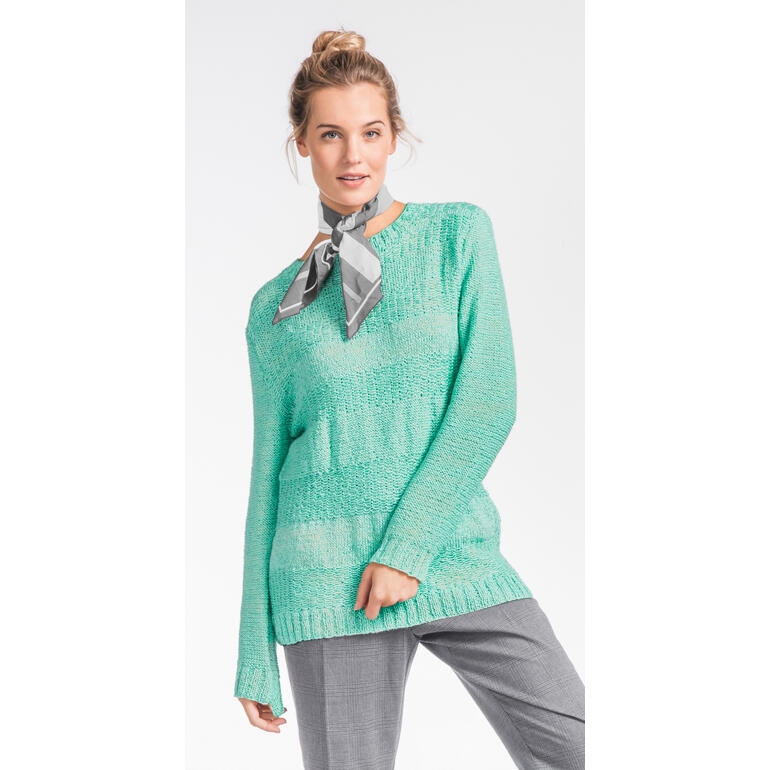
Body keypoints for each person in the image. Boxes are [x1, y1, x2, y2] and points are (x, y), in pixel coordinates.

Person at [234, 28, 585, 770]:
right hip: (324, 582)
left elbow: (488, 401)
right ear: (302, 143)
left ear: (395, 136)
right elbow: (266, 474)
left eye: (370, 132)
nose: (352, 155)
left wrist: (406, 549)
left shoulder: (456, 235)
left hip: (449, 551)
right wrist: (252, 650)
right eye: (330, 134)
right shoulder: (276, 309)